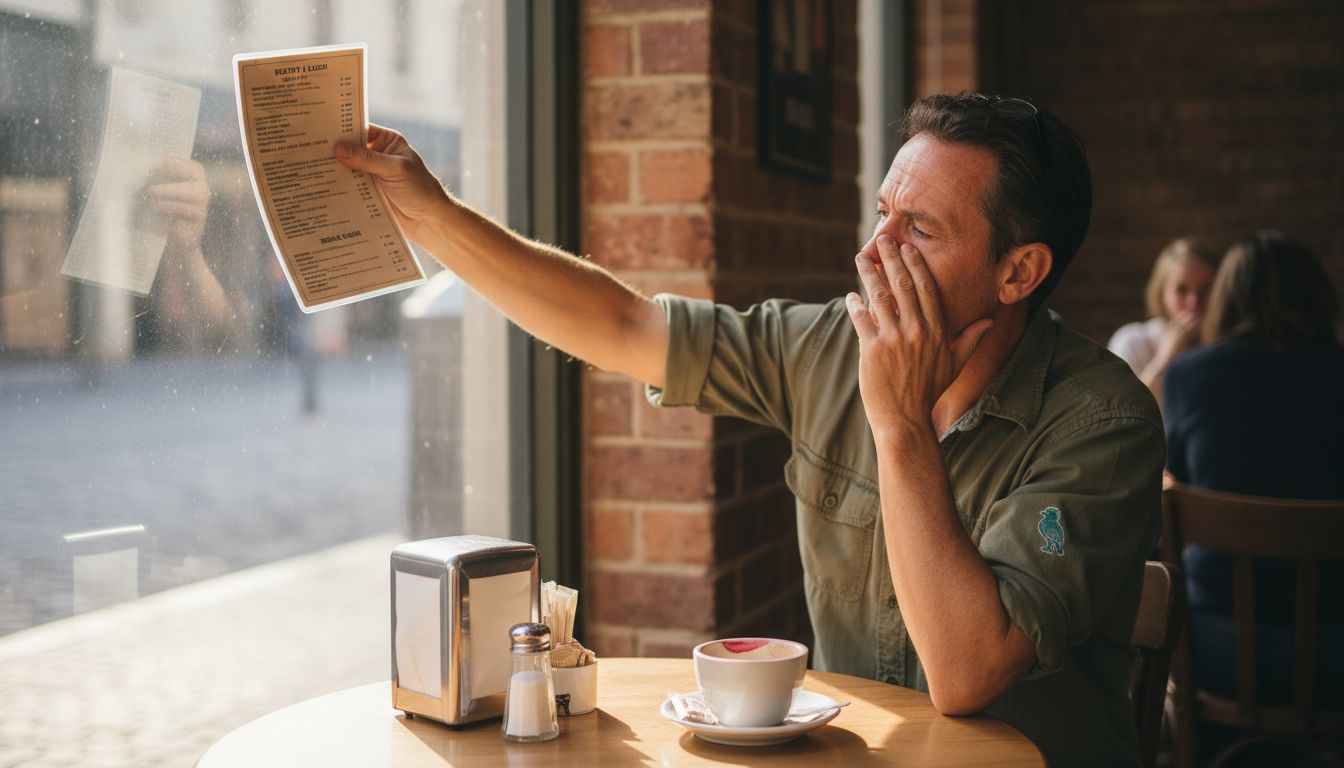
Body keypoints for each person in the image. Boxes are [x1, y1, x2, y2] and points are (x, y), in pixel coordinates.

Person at [334, 92, 1164, 767]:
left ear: (1019, 272)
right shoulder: (829, 346)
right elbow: (626, 328)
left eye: (920, 230)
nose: (874, 252)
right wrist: (433, 218)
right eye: (883, 213)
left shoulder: (1104, 421)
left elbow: (967, 670)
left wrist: (898, 423)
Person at [1163, 231, 1344, 712]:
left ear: (1227, 297)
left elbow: (1174, 477)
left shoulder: (1190, 375)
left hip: (1219, 646)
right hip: (1334, 648)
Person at [1107, 237, 1218, 406]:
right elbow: (1123, 411)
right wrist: (1165, 359)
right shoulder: (1133, 342)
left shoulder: (1227, 343)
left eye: (1206, 289)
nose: (1193, 303)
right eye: (1181, 290)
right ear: (1162, 294)